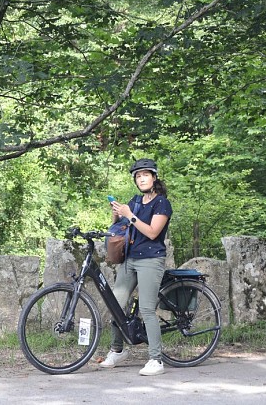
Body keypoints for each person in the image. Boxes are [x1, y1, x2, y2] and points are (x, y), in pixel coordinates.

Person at [99, 158, 173, 376]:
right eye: (138, 176)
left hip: (151, 259)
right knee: (116, 304)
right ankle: (117, 350)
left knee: (148, 308)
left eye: (145, 175)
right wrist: (117, 214)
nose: (141, 178)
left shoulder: (162, 203)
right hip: (130, 259)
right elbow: (120, 227)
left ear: (154, 177)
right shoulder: (135, 201)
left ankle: (156, 359)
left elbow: (152, 232)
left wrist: (130, 215)